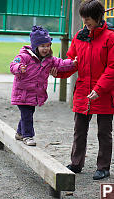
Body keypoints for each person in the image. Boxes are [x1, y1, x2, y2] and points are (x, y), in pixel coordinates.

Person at [52, 0, 114, 180]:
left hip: (104, 93)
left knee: (104, 132)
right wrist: (59, 72)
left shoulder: (110, 37)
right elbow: (72, 61)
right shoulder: (80, 35)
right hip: (83, 93)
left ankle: (103, 167)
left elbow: (112, 67)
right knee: (79, 130)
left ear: (98, 17)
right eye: (83, 19)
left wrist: (100, 88)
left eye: (88, 20)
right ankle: (76, 163)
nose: (85, 23)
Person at [10, 26, 77, 146]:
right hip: (23, 93)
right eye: (42, 46)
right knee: (27, 115)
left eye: (48, 45)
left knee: (28, 113)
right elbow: (13, 65)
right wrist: (19, 68)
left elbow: (61, 64)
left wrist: (72, 63)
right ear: (36, 46)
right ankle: (28, 136)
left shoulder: (49, 59)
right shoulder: (25, 56)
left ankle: (20, 133)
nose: (46, 49)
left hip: (35, 93)